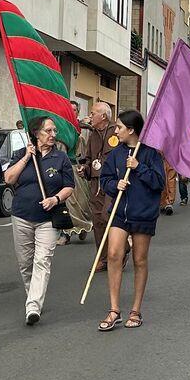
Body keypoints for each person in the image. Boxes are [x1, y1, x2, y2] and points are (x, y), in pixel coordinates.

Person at [97, 109, 166, 332]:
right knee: (114, 254)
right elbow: (105, 179)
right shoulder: (115, 154)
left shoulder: (150, 153)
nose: (116, 130)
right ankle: (114, 309)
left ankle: (135, 310)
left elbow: (158, 183)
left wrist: (139, 168)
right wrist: (114, 185)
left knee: (139, 259)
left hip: (143, 213)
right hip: (119, 211)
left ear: (131, 130)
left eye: (119, 127)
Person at [3, 116, 76, 325]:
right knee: (25, 263)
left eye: (54, 131)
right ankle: (32, 296)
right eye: (49, 131)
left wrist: (55, 199)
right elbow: (9, 179)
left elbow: (69, 186)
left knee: (42, 261)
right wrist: (27, 156)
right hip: (22, 216)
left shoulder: (60, 158)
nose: (53, 135)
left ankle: (33, 305)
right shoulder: (21, 154)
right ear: (36, 133)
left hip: (47, 220)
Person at [77, 102, 114, 265]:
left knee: (108, 216)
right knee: (98, 220)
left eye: (93, 114)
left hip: (112, 181)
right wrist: (84, 169)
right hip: (95, 182)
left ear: (103, 116)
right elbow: (89, 159)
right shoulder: (92, 135)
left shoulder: (116, 132)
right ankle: (103, 258)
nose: (90, 116)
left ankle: (122, 247)